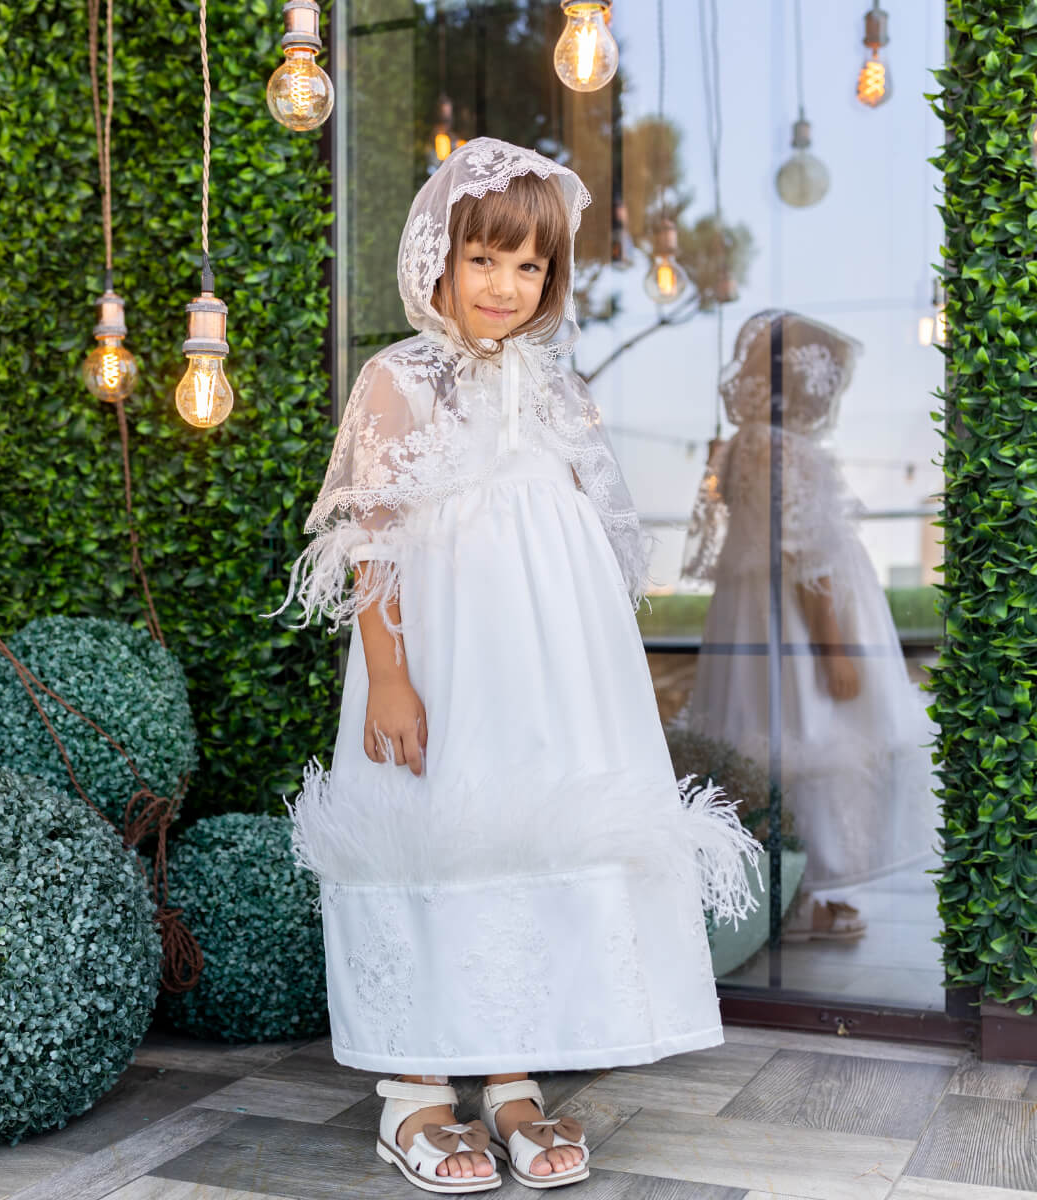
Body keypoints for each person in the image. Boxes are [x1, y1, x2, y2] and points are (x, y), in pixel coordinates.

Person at [271, 138, 761, 1194]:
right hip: (448, 657)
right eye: (483, 260)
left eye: (529, 266)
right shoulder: (399, 380)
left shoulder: (555, 387)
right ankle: (414, 1090)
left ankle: (512, 1078)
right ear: (437, 261)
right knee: (438, 828)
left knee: (533, 833)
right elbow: (371, 539)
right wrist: (390, 674)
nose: (504, 286)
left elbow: (582, 535)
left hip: (545, 670)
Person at [681, 310, 941, 942]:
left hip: (749, 620)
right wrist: (834, 648)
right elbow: (805, 557)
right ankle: (809, 895)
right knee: (810, 738)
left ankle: (774, 893)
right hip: (792, 629)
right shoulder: (785, 451)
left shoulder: (739, 446)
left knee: (762, 743)